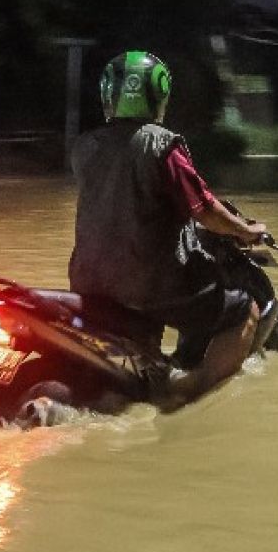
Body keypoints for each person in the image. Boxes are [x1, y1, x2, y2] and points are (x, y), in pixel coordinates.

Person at [69, 50, 267, 407]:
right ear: (158, 95)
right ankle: (191, 394)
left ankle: (146, 376)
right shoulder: (161, 144)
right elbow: (204, 209)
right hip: (150, 283)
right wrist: (244, 231)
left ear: (108, 96)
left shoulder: (84, 147)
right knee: (242, 309)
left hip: (89, 281)